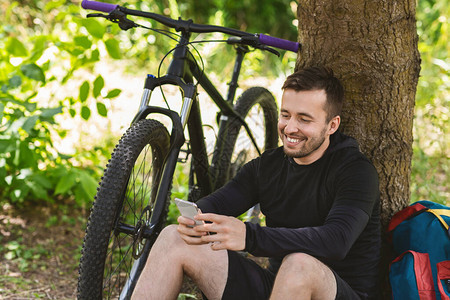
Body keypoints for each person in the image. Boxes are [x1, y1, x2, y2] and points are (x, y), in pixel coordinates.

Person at [132, 66, 381, 300]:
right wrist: (196, 218)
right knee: (172, 237)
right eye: (286, 115)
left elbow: (336, 241)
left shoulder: (356, 171)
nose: (290, 127)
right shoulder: (268, 166)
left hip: (333, 291)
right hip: (276, 289)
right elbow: (219, 202)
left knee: (299, 263)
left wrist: (249, 236)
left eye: (304, 119)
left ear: (332, 125)